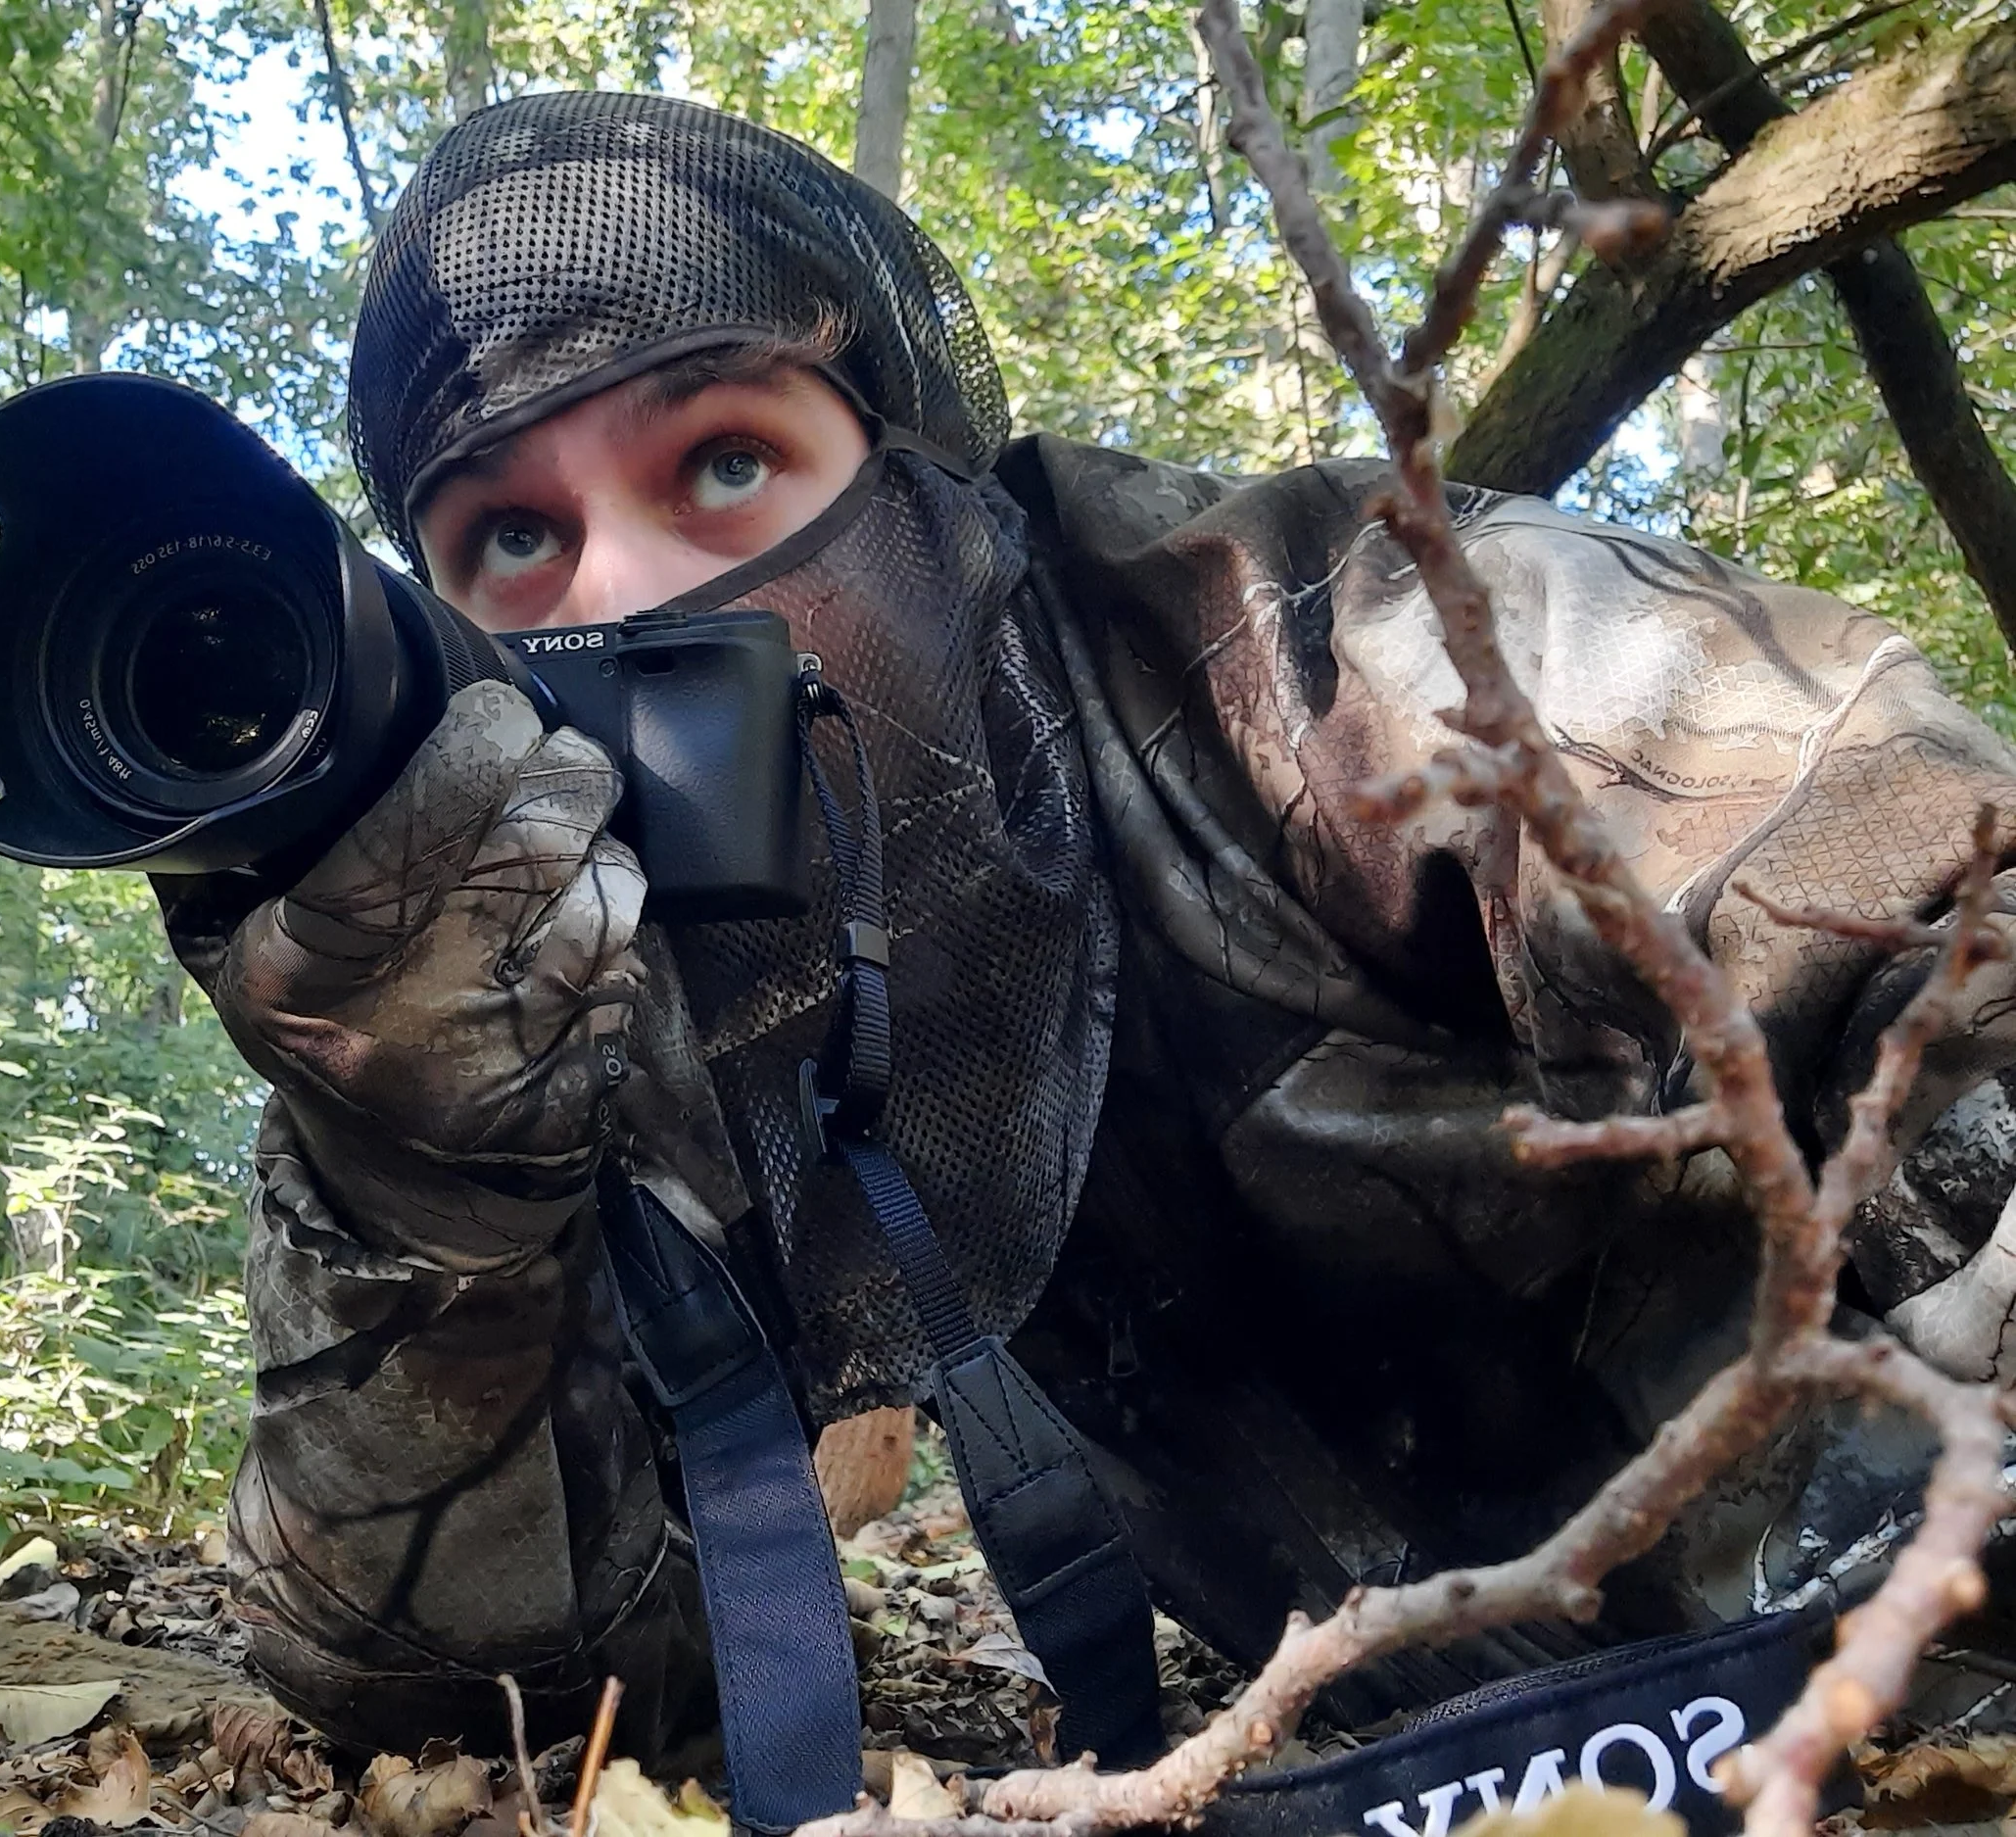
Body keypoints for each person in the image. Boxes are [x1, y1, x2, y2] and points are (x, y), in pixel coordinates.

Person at [153, 88, 2016, 1784]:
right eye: (510, 539)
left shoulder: (1317, 647)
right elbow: (496, 1704)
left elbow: (1914, 888)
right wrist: (431, 1201)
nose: (633, 598)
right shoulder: (551, 1001)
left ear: (915, 475)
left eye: (722, 460)